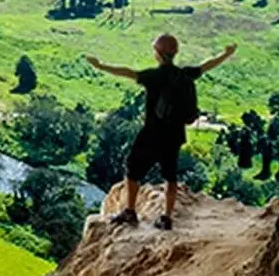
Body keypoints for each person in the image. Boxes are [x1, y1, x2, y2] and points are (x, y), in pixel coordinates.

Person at [86, 35, 237, 231]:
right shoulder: (184, 74)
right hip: (174, 134)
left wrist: (101, 66)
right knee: (170, 175)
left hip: (152, 133)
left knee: (133, 169)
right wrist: (226, 54)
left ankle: (130, 211)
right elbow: (206, 66)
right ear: (175, 53)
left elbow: (128, 73)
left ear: (158, 53)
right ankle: (166, 217)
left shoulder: (153, 77)